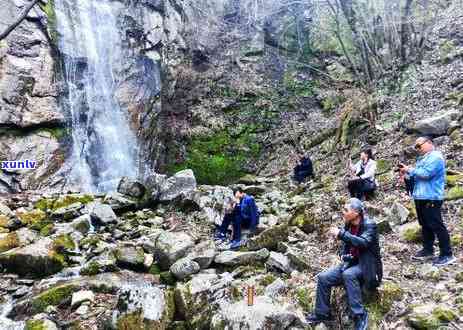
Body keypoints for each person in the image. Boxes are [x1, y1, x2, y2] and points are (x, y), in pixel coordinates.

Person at [306, 198, 382, 330]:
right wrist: (343, 255)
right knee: (323, 278)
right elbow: (345, 246)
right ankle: (322, 313)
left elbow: (363, 243)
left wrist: (341, 234)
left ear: (356, 212)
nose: (343, 212)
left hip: (367, 265)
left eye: (346, 210)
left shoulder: (370, 225)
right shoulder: (348, 224)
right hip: (351, 262)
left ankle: (360, 315)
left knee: (348, 274)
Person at [399, 136, 455, 266]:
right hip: (420, 196)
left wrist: (409, 169)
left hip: (431, 196)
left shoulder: (436, 157)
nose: (417, 148)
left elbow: (426, 174)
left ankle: (447, 254)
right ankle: (428, 250)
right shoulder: (422, 159)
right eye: (416, 147)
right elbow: (417, 176)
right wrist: (406, 174)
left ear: (429, 143)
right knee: (425, 225)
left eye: (419, 145)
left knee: (436, 225)